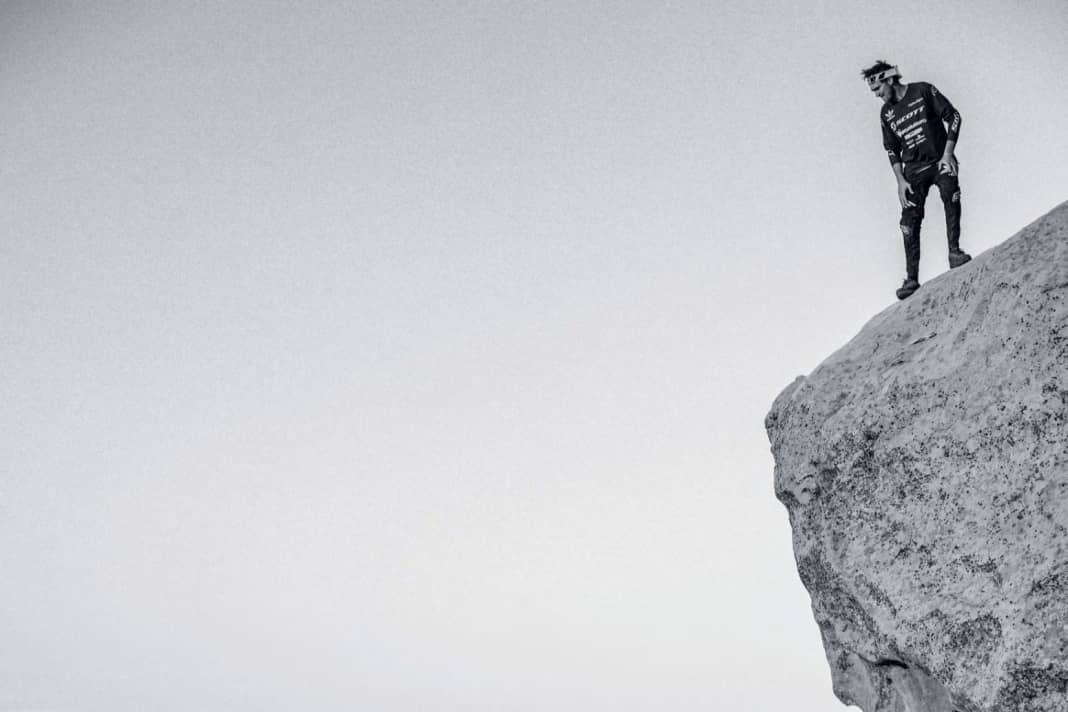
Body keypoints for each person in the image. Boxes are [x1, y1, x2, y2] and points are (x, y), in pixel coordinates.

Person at [862, 61, 972, 300]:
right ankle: (911, 279)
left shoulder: (922, 90)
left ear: (889, 79)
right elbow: (891, 149)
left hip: (939, 160)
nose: (877, 95)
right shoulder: (886, 113)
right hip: (913, 171)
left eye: (878, 88)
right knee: (908, 222)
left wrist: (948, 153)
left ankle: (954, 252)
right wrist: (900, 181)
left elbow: (953, 117)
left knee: (950, 195)